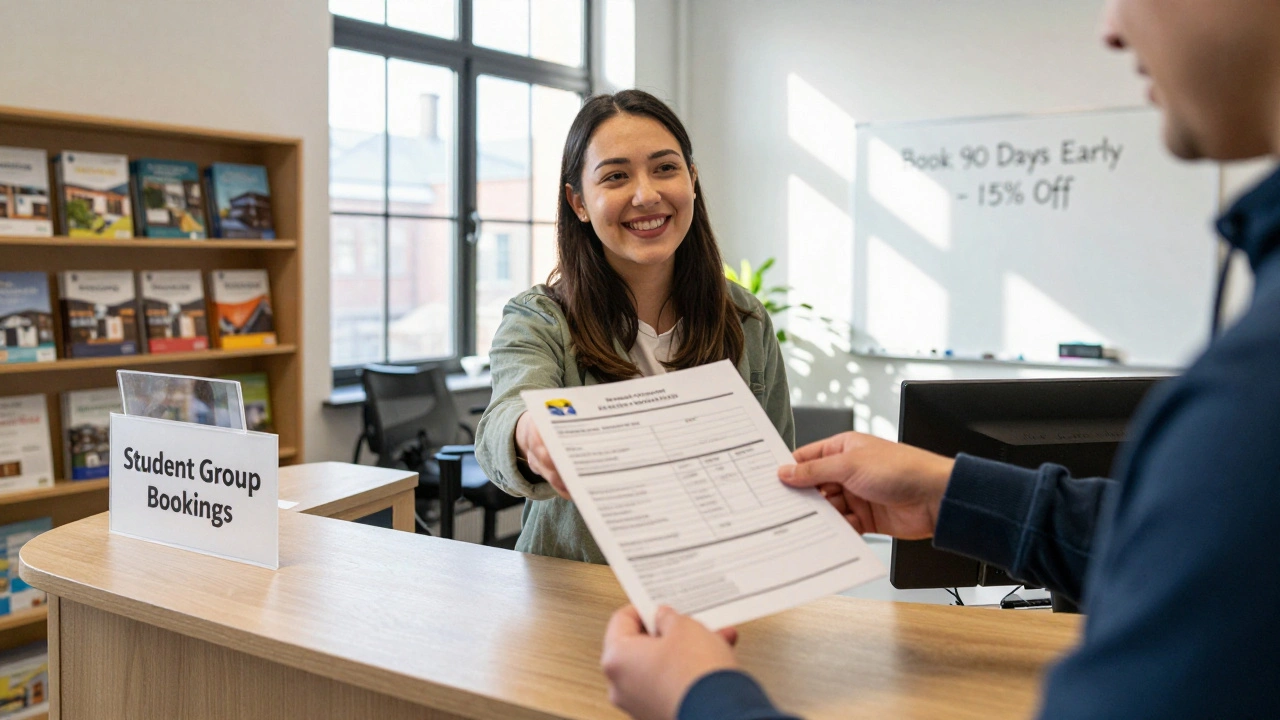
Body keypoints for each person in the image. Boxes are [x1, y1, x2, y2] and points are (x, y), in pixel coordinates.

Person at [600, 0, 1280, 718]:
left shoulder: (1254, 396)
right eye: (614, 176)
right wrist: (952, 495)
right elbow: (1174, 548)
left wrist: (700, 699)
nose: (1111, 27)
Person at [475, 90, 794, 564]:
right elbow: (507, 416)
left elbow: (778, 471)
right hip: (577, 597)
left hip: (718, 586)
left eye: (665, 168)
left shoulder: (743, 318)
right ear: (578, 202)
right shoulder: (540, 319)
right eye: (616, 176)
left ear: (692, 180)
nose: (646, 195)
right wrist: (531, 434)